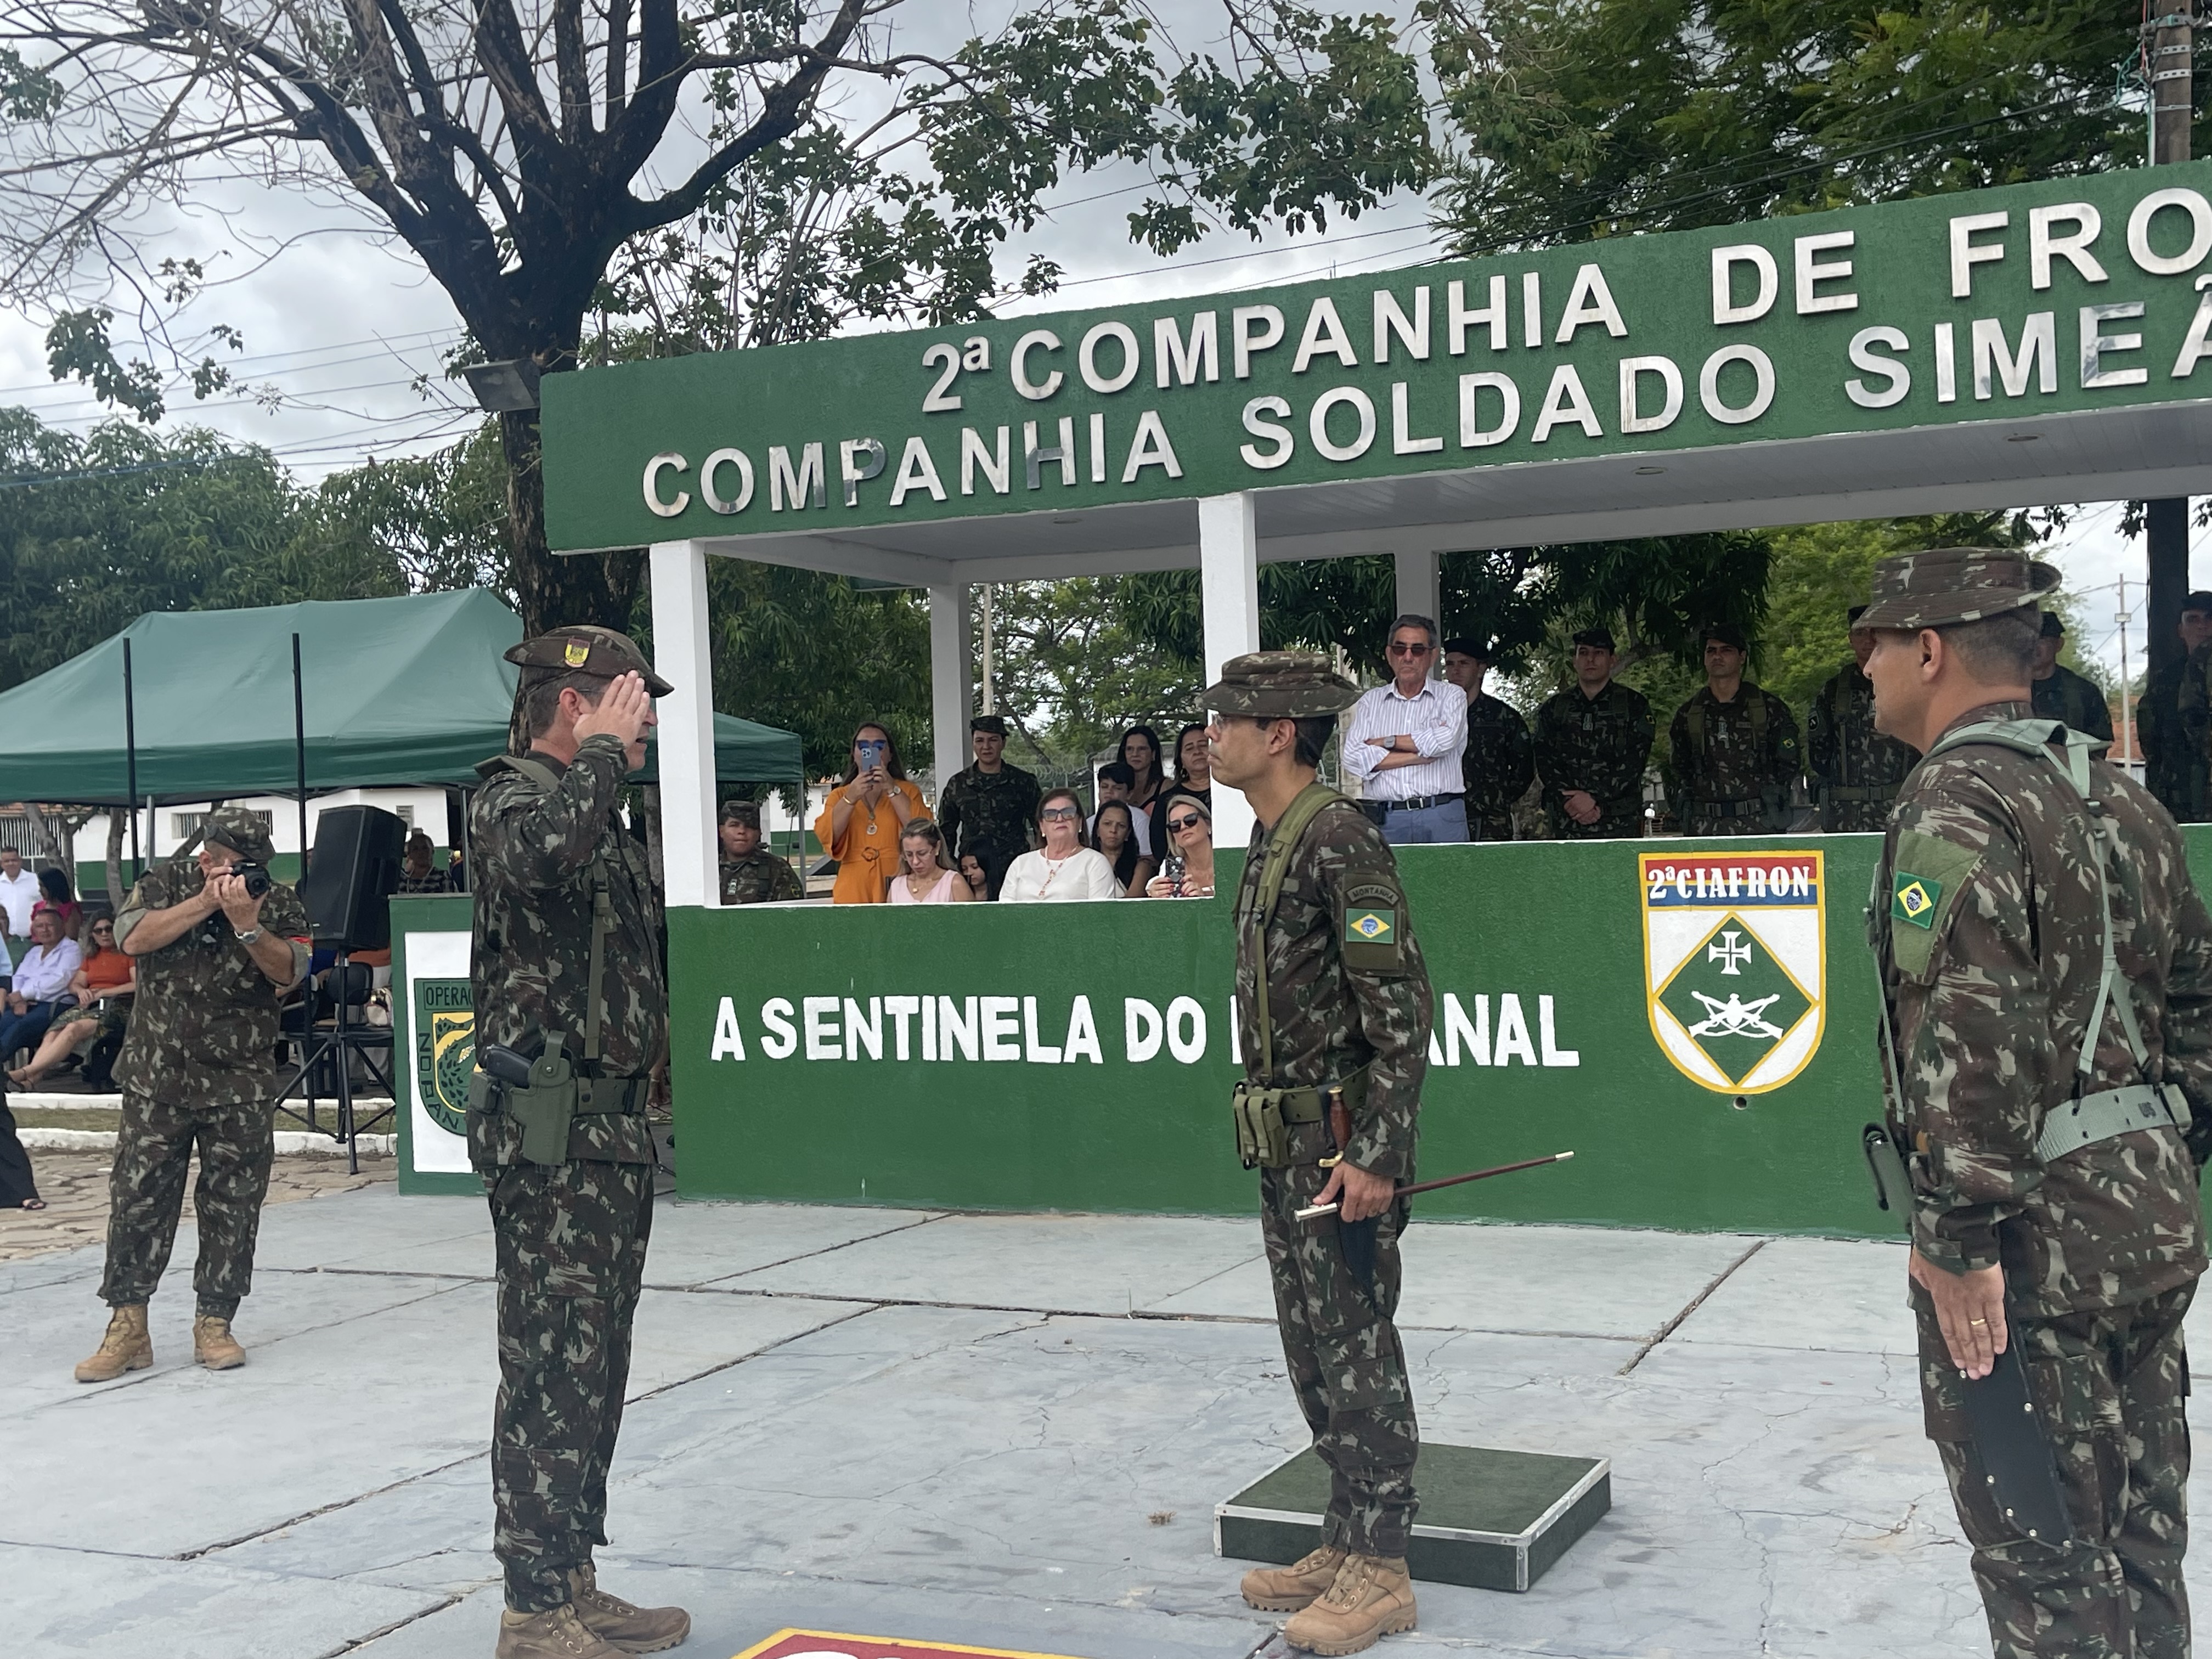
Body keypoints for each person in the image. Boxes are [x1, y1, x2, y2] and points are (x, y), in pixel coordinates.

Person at [1861, 547, 2211, 1659]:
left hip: (2031, 1258)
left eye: (1876, 642)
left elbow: (1970, 1037)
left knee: (2047, 1567)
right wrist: (2162, 1144)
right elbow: (2198, 998)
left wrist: (1956, 1239)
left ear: (1928, 651)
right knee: (2141, 1547)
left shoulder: (1955, 803)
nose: (1865, 665)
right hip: (2147, 1230)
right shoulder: (2119, 795)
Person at [469, 625, 690, 1659]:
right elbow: (538, 859)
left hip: (609, 1128)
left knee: (596, 1362)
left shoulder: (605, 812)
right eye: (633, 704)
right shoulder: (510, 797)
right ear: (578, 701)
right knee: (550, 1361)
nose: (646, 725)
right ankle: (529, 1603)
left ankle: (571, 1575)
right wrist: (601, 754)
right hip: (549, 1136)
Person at [1204, 651, 1432, 1654]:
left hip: (1341, 1149)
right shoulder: (1270, 838)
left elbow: (1401, 1008)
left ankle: (1382, 1562)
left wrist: (1379, 1151)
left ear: (1279, 731)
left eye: (1227, 720)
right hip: (1286, 1145)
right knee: (1312, 1351)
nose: (1209, 735)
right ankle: (1344, 1534)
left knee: (1355, 1343)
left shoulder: (1339, 837)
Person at [72, 805, 312, 1384]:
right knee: (138, 1199)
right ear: (207, 854)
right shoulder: (164, 884)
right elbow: (131, 938)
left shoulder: (274, 900)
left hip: (238, 1078)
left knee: (232, 1205)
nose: (243, 871)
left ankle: (215, 1321)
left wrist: (248, 924)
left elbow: (293, 972)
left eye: (254, 861)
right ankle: (128, 1326)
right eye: (234, 860)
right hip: (159, 1077)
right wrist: (205, 903)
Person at [1340, 613, 1470, 844]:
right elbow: (1352, 758)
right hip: (1386, 818)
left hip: (1440, 814)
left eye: (1417, 650)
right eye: (1400, 649)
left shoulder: (1452, 696)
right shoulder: (1372, 701)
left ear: (1432, 656)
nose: (1407, 657)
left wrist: (1385, 742)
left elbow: (1444, 741)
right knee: (1386, 882)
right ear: (1390, 654)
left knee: (1450, 881)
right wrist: (1414, 756)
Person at [1663, 623, 1803, 836]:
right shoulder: (1689, 713)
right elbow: (1677, 768)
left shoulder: (1769, 708)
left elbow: (1789, 763)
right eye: (1711, 650)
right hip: (1704, 826)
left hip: (1759, 824)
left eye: (1726, 650)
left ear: (1742, 656)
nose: (1717, 656)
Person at [1805, 604, 1920, 832]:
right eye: (1859, 633)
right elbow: (1819, 753)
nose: (1867, 640)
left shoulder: (1911, 683)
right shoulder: (1834, 691)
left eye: (1873, 633)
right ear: (1850, 639)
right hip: (1846, 813)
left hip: (1901, 807)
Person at [1532, 627, 1656, 838]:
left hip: (1618, 820)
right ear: (1574, 660)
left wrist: (1594, 798)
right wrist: (1572, 802)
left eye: (1598, 653)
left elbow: (1634, 762)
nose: (1590, 660)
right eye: (1584, 653)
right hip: (1566, 821)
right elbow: (1545, 762)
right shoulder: (1555, 709)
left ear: (1612, 660)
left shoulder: (1633, 705)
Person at [10, 912, 133, 1086]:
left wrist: (105, 992)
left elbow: (138, 984)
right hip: (90, 1006)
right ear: (93, 935)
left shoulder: (128, 955)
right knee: (53, 1032)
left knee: (72, 1029)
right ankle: (30, 1082)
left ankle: (26, 1072)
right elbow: (74, 984)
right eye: (99, 931)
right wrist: (81, 991)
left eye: (109, 929)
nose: (104, 934)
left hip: (118, 1007)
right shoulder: (91, 958)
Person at [813, 723, 930, 904]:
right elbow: (828, 836)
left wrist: (892, 789)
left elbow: (923, 830)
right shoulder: (840, 795)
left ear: (890, 754)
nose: (871, 750)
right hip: (853, 885)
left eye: (879, 745)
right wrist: (851, 798)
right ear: (854, 754)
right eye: (863, 745)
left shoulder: (908, 791)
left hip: (898, 880)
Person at [1441, 635, 1533, 841]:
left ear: (1481, 669)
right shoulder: (1433, 714)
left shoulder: (1503, 717)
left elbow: (1524, 769)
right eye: (1450, 664)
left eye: (1464, 663)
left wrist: (1497, 799)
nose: (1455, 670)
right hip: (1444, 818)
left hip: (1491, 823)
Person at [2138, 589, 2212, 823]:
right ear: (2180, 630)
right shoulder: (2164, 682)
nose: (2202, 626)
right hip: (2178, 797)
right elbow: (2150, 742)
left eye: (2210, 619)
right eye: (2193, 620)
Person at [935, 713, 1041, 869]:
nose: (986, 747)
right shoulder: (958, 784)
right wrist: (949, 870)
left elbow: (1041, 826)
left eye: (993, 740)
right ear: (973, 744)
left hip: (1014, 867)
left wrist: (1039, 863)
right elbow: (946, 833)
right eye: (980, 741)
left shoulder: (1023, 782)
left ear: (1003, 743)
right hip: (972, 869)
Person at [1000, 789, 1124, 902]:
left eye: (1068, 813)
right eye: (1051, 814)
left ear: (1080, 822)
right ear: (1042, 826)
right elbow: (1004, 914)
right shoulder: (1020, 864)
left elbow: (1099, 917)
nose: (1059, 819)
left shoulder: (1095, 862)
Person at [0, 906, 82, 1062]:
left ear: (62, 926)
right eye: (39, 926)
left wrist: (22, 995)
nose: (44, 930)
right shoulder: (34, 952)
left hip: (55, 1006)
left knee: (20, 1028)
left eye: (50, 925)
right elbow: (19, 977)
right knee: (4, 1022)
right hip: (26, 1003)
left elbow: (59, 980)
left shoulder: (72, 949)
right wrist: (19, 999)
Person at [2029, 611, 2115, 741]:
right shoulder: (2007, 687)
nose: (2034, 647)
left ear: (2059, 645)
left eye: (2042, 641)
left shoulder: (2084, 692)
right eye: (2030, 640)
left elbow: (2099, 743)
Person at [717, 800, 803, 905]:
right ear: (721, 831)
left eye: (749, 826)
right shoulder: (707, 869)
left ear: (758, 833)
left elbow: (793, 915)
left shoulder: (778, 869)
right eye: (734, 825)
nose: (742, 831)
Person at [1145, 795, 1218, 899]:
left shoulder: (1228, 859)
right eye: (1175, 826)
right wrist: (1154, 895)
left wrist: (1204, 900)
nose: (1183, 827)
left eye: (1190, 820)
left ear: (1208, 824)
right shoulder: (1172, 867)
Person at [1154, 723, 1215, 840]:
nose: (1197, 752)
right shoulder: (1167, 801)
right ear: (1181, 760)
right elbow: (1160, 847)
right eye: (1190, 748)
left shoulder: (1233, 792)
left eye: (1203, 745)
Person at [888, 819, 972, 904]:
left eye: (922, 853)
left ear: (937, 848)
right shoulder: (897, 885)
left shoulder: (954, 883)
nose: (915, 862)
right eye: (909, 855)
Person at [1091, 760, 1154, 858]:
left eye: (1117, 788)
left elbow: (1148, 857)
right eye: (1104, 787)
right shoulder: (1089, 822)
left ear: (1129, 794)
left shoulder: (1140, 819)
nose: (1109, 792)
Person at [1092, 800, 1153, 896]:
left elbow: (1131, 903)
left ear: (1128, 833)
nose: (1113, 830)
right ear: (1097, 830)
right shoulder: (1087, 863)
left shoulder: (1142, 866)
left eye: (1121, 826)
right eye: (1107, 824)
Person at [1118, 725, 1170, 827]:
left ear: (1153, 754)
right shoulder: (1114, 787)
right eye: (1130, 749)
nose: (1135, 754)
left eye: (1142, 749)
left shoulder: (1166, 787)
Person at [0, 845, 38, 939]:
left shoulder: (36, 880)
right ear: (1, 863)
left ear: (20, 861)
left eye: (14, 860)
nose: (11, 864)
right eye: (7, 861)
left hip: (32, 940)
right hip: (4, 941)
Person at [397, 831, 453, 895]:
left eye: (425, 848)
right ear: (410, 854)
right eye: (415, 849)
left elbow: (450, 902)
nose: (421, 852)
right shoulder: (402, 879)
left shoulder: (443, 876)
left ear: (432, 851)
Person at [38, 867, 84, 941]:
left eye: (43, 886)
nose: (40, 890)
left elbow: (71, 939)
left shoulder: (70, 910)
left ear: (53, 886)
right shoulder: (38, 907)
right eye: (40, 886)